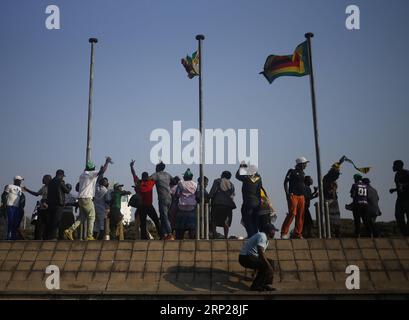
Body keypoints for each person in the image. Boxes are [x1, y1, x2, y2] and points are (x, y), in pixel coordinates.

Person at [64, 157, 112, 241]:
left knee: (82, 217)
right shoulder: (90, 174)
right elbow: (102, 171)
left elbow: (97, 172)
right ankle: (89, 236)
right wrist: (107, 162)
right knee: (92, 216)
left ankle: (70, 230)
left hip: (80, 198)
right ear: (92, 169)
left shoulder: (82, 175)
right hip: (87, 198)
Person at [239, 223, 277, 291]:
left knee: (271, 262)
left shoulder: (266, 239)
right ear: (269, 231)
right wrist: (269, 266)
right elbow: (261, 253)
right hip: (245, 257)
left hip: (250, 257)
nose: (274, 233)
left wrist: (256, 270)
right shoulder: (262, 236)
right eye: (273, 231)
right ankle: (255, 286)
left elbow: (259, 257)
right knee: (266, 266)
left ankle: (266, 284)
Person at [130, 160, 163, 239]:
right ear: (147, 177)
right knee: (156, 220)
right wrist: (160, 167)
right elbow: (156, 175)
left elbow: (134, 174)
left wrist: (131, 166)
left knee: (143, 223)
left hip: (141, 207)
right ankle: (161, 235)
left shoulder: (138, 182)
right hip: (149, 206)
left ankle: (144, 238)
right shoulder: (150, 182)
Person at [281, 157, 309, 239]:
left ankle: (297, 234)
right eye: (305, 164)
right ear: (300, 164)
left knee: (300, 215)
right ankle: (284, 232)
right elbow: (285, 182)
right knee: (292, 213)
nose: (306, 165)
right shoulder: (291, 171)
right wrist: (287, 194)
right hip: (293, 195)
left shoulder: (303, 173)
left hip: (301, 197)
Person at [236, 163, 263, 238]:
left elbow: (237, 176)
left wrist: (241, 167)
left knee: (247, 219)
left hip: (248, 202)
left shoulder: (246, 178)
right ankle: (254, 235)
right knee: (255, 220)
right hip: (258, 202)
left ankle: (251, 236)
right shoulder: (259, 178)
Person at [23, 174, 52, 240]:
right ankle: (37, 239)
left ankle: (46, 239)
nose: (42, 180)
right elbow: (37, 194)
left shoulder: (52, 187)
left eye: (44, 179)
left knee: (47, 225)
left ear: (48, 179)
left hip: (48, 208)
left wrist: (47, 203)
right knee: (39, 225)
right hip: (42, 208)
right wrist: (27, 190)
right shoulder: (44, 187)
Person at [209, 171, 236, 239]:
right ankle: (226, 237)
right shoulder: (232, 184)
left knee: (214, 220)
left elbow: (213, 191)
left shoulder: (217, 181)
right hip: (228, 205)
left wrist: (209, 197)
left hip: (217, 203)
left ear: (222, 175)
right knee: (226, 221)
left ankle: (214, 235)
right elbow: (232, 195)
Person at [151, 161, 174, 240]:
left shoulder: (157, 175)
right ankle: (164, 235)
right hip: (169, 198)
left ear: (158, 168)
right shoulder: (167, 174)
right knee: (163, 216)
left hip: (162, 198)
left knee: (164, 216)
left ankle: (170, 233)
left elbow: (148, 178)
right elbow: (174, 181)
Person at [47, 170, 71, 240]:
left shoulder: (50, 182)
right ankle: (54, 237)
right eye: (63, 176)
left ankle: (49, 236)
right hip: (58, 204)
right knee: (56, 220)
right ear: (61, 175)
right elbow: (67, 191)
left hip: (50, 204)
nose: (63, 178)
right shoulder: (61, 181)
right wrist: (67, 187)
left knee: (51, 220)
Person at [323, 160, 344, 237]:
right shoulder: (328, 177)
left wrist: (336, 167)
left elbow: (335, 176)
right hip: (329, 199)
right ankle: (330, 234)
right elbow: (335, 175)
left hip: (333, 198)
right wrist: (336, 167)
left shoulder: (329, 177)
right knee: (330, 218)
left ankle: (336, 233)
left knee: (336, 218)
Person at [175, 169, 197, 240]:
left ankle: (179, 242)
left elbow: (177, 194)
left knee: (179, 228)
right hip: (192, 208)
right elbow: (198, 195)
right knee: (192, 228)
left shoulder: (180, 184)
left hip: (182, 208)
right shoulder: (196, 184)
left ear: (184, 176)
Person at [1, 176, 26, 240]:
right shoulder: (9, 186)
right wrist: (4, 204)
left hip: (17, 208)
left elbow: (22, 198)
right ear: (16, 180)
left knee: (15, 223)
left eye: (21, 181)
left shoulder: (20, 189)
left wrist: (22, 206)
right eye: (19, 180)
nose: (20, 182)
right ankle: (7, 237)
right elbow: (3, 195)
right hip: (9, 206)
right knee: (9, 222)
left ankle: (13, 238)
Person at [389, 160, 409, 236]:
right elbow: (399, 187)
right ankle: (405, 234)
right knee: (398, 216)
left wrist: (403, 185)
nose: (393, 167)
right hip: (400, 199)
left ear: (400, 166)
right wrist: (394, 190)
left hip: (407, 199)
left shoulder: (406, 173)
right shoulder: (396, 175)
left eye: (395, 165)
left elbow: (403, 185)